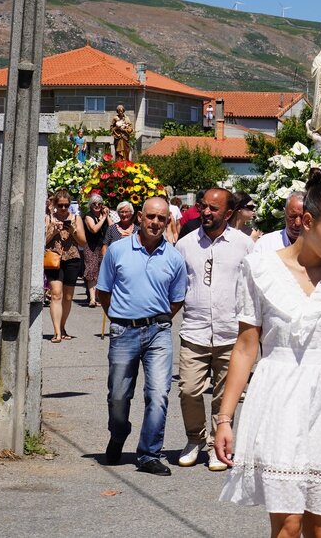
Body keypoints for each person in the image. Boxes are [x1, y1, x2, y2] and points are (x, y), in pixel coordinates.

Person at [215, 172, 321, 538]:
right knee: (287, 527)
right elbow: (245, 347)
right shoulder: (260, 268)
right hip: (278, 399)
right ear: (306, 221)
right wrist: (225, 419)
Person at [97, 196, 187, 475]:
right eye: (151, 217)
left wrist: (155, 320)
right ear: (139, 217)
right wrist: (122, 318)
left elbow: (177, 299)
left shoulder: (174, 257)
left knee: (159, 393)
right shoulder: (117, 250)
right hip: (123, 330)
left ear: (167, 221)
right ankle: (119, 432)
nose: (156, 223)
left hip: (158, 332)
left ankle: (149, 453)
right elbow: (103, 292)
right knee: (119, 395)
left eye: (162, 218)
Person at [175, 188, 254, 472]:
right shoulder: (184, 245)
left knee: (224, 395)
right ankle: (194, 439)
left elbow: (252, 287)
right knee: (189, 390)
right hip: (194, 331)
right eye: (203, 207)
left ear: (228, 214)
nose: (206, 213)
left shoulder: (245, 246)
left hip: (231, 332)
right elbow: (176, 286)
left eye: (213, 209)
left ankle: (215, 444)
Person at [45, 190, 87, 342]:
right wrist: (53, 231)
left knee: (68, 297)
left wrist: (73, 231)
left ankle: (62, 327)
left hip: (72, 259)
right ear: (55, 204)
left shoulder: (75, 218)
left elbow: (83, 243)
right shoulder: (49, 218)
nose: (63, 209)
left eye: (66, 205)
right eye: (60, 205)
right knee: (56, 294)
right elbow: (43, 241)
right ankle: (56, 332)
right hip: (53, 258)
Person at [81, 194, 110, 308]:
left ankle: (97, 297)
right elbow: (94, 229)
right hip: (91, 246)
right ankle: (92, 299)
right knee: (91, 270)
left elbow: (112, 227)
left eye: (99, 204)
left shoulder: (104, 216)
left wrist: (106, 216)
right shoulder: (88, 216)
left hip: (103, 246)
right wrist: (102, 218)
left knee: (101, 271)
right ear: (90, 205)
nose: (97, 206)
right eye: (94, 204)